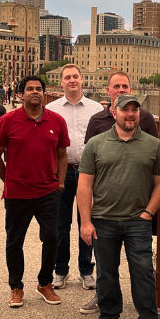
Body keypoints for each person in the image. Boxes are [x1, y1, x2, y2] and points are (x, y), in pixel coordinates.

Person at [78, 95, 160, 319]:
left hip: (138, 221)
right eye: (125, 109)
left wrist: (149, 212)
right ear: (114, 112)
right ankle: (109, 317)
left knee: (143, 273)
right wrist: (86, 222)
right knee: (106, 274)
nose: (130, 114)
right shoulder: (96, 143)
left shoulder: (152, 144)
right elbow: (84, 184)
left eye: (134, 110)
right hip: (103, 220)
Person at [0, 76, 69, 308]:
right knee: (15, 241)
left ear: (44, 94)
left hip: (48, 192)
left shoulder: (57, 121)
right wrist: (8, 182)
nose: (34, 92)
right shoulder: (7, 120)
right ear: (21, 94)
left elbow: (63, 155)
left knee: (52, 238)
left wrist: (60, 182)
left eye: (38, 89)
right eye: (29, 89)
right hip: (17, 194)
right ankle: (16, 287)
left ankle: (45, 283)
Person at [45, 64, 104, 292]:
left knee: (87, 222)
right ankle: (60, 271)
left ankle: (86, 270)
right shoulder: (51, 109)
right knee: (60, 224)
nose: (72, 80)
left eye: (75, 77)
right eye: (67, 77)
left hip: (89, 173)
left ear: (82, 80)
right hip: (62, 172)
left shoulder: (96, 108)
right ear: (61, 82)